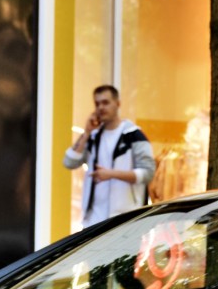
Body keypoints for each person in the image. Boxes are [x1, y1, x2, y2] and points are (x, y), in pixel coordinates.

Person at [63, 85, 155, 227]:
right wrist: (87, 132)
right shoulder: (94, 136)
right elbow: (69, 162)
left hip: (126, 219)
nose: (101, 108)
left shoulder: (134, 135)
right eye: (97, 103)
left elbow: (148, 173)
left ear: (117, 104)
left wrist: (111, 174)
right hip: (94, 220)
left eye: (105, 102)